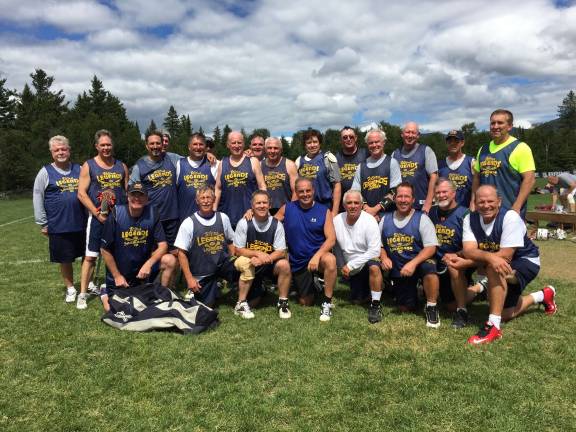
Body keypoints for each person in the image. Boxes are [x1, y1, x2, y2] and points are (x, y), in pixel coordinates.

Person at [462, 185, 557, 344]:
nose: (486, 205)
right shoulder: (469, 218)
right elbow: (469, 250)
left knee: (494, 265)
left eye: (490, 201)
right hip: (502, 265)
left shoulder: (510, 217)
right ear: (475, 203)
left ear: (499, 201)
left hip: (526, 260)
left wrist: (467, 262)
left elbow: (505, 256)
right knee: (505, 313)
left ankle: (493, 327)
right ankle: (542, 295)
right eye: (481, 202)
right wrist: (481, 257)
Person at [100, 182, 177, 312]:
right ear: (127, 196)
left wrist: (149, 264)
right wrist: (117, 275)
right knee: (114, 311)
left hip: (142, 271)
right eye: (133, 194)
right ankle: (104, 293)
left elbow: (163, 245)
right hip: (121, 273)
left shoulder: (152, 213)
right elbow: (104, 249)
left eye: (141, 195)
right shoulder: (116, 214)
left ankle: (162, 295)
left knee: (170, 260)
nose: (137, 198)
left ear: (147, 199)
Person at [77, 129, 128, 309]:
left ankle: (117, 285)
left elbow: (126, 192)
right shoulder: (89, 165)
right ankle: (82, 294)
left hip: (118, 219)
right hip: (98, 217)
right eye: (103, 145)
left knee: (118, 254)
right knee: (91, 256)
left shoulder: (121, 166)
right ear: (97, 146)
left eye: (109, 144)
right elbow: (81, 194)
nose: (106, 148)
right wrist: (97, 214)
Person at [33, 135, 87, 306]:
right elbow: (37, 196)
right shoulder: (45, 172)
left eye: (63, 149)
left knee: (89, 256)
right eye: (57, 150)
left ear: (69, 150)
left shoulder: (80, 169)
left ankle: (88, 283)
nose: (61, 152)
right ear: (51, 152)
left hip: (82, 222)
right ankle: (71, 288)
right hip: (59, 224)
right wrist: (43, 222)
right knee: (65, 259)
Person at [379, 182, 441, 328]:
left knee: (429, 267)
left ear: (413, 200)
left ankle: (431, 306)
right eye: (400, 196)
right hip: (400, 271)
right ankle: (417, 291)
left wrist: (413, 263)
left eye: (407, 196)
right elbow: (379, 245)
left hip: (418, 266)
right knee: (405, 308)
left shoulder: (422, 219)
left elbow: (431, 247)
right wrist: (384, 257)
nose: (403, 200)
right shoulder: (385, 219)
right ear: (394, 199)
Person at [275, 177, 337, 321]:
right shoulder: (287, 208)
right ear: (296, 192)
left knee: (331, 260)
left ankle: (327, 302)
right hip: (298, 261)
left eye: (308, 190)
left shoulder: (324, 211)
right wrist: (252, 212)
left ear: (313, 191)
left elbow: (331, 239)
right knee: (305, 302)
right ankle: (315, 284)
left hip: (318, 259)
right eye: (301, 191)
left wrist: (317, 256)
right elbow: (269, 223)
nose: (305, 194)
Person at [175, 185, 237, 308]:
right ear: (197, 201)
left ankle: (239, 289)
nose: (206, 200)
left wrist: (234, 261)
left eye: (209, 197)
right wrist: (189, 279)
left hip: (221, 265)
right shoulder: (188, 223)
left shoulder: (223, 218)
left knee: (243, 268)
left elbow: (231, 241)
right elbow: (181, 253)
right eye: (202, 198)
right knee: (207, 305)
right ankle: (212, 286)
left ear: (214, 199)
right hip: (202, 273)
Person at [233, 190, 292, 319]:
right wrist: (257, 253)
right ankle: (242, 302)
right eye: (258, 203)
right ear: (252, 206)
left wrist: (266, 258)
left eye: (265, 202)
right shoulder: (244, 223)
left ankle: (283, 302)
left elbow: (281, 251)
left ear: (270, 205)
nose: (262, 205)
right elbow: (238, 250)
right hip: (250, 264)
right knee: (253, 303)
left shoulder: (277, 224)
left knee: (284, 265)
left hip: (267, 264)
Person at [472, 109, 536, 218]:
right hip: (485, 212)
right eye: (493, 123)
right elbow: (477, 178)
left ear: (510, 126)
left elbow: (529, 180)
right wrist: (473, 202)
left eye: (500, 123)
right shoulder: (483, 149)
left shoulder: (520, 148)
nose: (495, 126)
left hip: (510, 212)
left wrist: (516, 207)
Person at [428, 178, 473, 328]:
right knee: (448, 305)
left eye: (444, 192)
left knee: (454, 266)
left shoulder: (465, 214)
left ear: (453, 193)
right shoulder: (432, 212)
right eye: (438, 193)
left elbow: (471, 247)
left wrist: (456, 255)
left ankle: (462, 310)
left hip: (459, 259)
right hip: (438, 261)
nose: (441, 195)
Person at [333, 189, 383, 323]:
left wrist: (350, 265)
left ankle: (376, 304)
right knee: (357, 300)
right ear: (344, 205)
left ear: (361, 205)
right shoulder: (337, 220)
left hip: (366, 263)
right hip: (351, 268)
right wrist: (341, 265)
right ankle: (371, 291)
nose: (353, 206)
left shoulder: (370, 220)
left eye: (356, 202)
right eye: (349, 203)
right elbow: (335, 246)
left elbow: (374, 251)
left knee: (374, 265)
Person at [130, 131, 180, 250]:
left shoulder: (173, 158)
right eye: (152, 143)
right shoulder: (140, 166)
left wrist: (208, 155)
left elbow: (192, 160)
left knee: (174, 253)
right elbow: (131, 190)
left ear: (163, 144)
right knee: (152, 252)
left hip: (172, 217)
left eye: (158, 143)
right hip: (151, 217)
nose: (155, 146)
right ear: (147, 146)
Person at [214, 131, 267, 228]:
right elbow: (218, 188)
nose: (236, 145)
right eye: (233, 143)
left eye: (239, 142)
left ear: (244, 144)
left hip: (248, 215)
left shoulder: (252, 161)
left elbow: (262, 186)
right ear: (228, 145)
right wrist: (213, 210)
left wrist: (257, 207)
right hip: (226, 215)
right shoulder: (223, 163)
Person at [351, 129, 402, 220]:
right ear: (367, 144)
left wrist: (375, 209)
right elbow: (356, 192)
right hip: (366, 217)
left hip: (388, 216)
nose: (374, 145)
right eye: (371, 143)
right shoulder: (361, 166)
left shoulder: (392, 163)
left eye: (377, 142)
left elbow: (395, 191)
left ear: (383, 142)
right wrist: (367, 210)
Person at [392, 122, 438, 213]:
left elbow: (434, 177)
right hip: (401, 206)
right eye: (407, 132)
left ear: (418, 135)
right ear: (402, 134)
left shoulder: (426, 151)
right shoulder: (395, 154)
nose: (410, 135)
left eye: (413, 133)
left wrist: (428, 204)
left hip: (422, 207)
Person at [296, 129, 342, 216]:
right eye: (309, 142)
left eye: (315, 142)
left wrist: (334, 212)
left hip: (325, 207)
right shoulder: (299, 161)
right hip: (305, 208)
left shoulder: (328, 158)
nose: (312, 145)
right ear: (305, 145)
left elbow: (337, 185)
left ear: (320, 143)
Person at [176, 133, 218, 222]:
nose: (198, 147)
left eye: (201, 144)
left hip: (209, 219)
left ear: (205, 147)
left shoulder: (214, 164)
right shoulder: (179, 164)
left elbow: (220, 190)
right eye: (195, 144)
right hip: (185, 219)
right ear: (189, 147)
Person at [261, 136, 297, 215]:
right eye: (269, 148)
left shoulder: (290, 165)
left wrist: (289, 210)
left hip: (286, 210)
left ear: (281, 150)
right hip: (265, 211)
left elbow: (296, 191)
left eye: (276, 148)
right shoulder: (260, 165)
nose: (272, 151)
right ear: (265, 149)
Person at [438, 130, 474, 208]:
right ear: (446, 143)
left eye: (456, 141)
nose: (453, 143)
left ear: (462, 143)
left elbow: (477, 186)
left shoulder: (471, 162)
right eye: (450, 141)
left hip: (466, 210)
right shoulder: (440, 165)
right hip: (445, 211)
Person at [335, 126, 368, 206]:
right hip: (344, 204)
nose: (348, 139)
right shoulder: (336, 157)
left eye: (351, 137)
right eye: (345, 137)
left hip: (365, 202)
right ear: (341, 140)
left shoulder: (366, 154)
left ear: (356, 138)